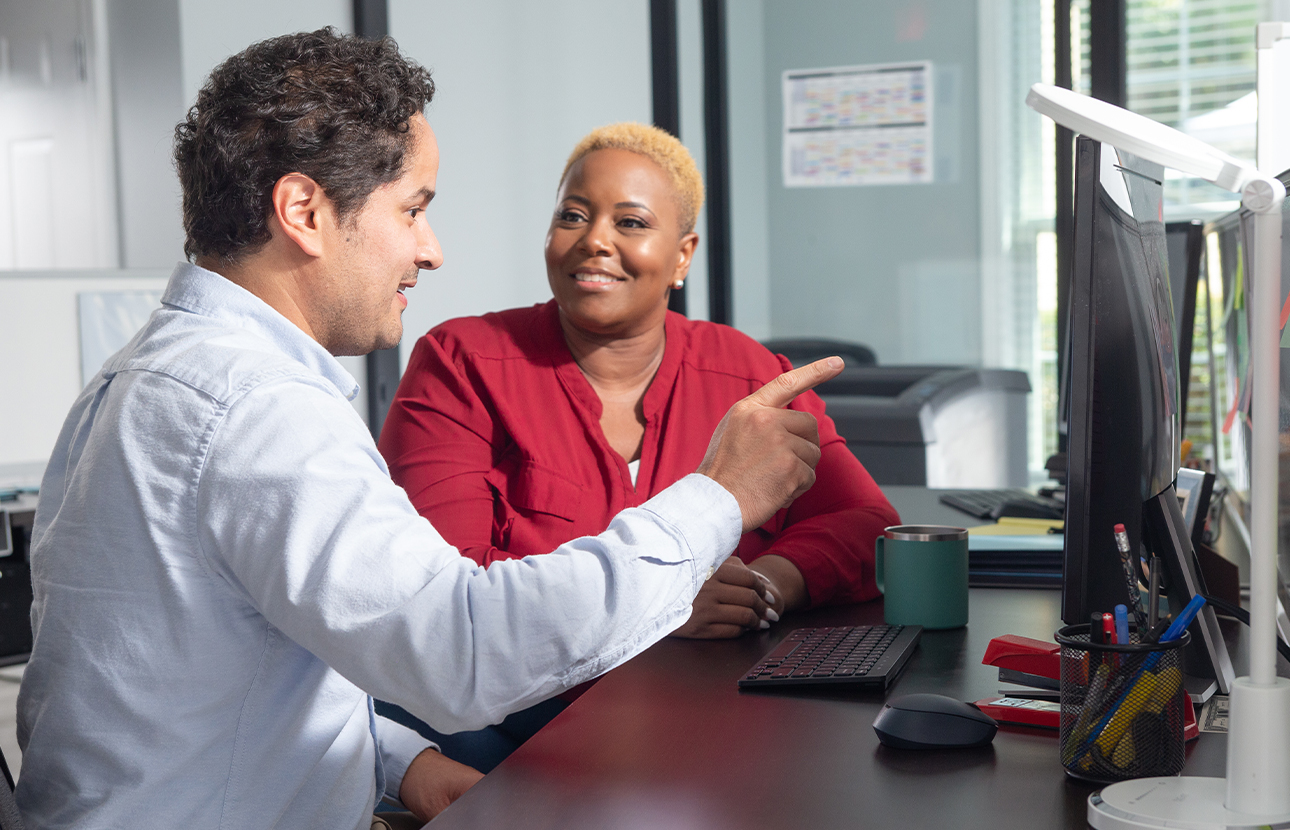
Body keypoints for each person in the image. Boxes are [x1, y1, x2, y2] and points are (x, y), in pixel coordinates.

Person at [14, 30, 840, 830]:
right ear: (304, 210)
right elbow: (462, 650)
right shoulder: (257, 406)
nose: (431, 248)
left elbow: (215, 679)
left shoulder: (146, 375)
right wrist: (718, 498)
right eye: (413, 209)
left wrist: (398, 762)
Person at [375, 123, 899, 767]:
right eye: (573, 215)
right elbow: (445, 587)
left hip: (719, 723)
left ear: (682, 255)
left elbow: (867, 526)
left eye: (630, 222)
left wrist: (766, 584)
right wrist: (662, 600)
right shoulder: (462, 363)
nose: (594, 240)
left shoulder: (749, 375)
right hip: (523, 727)